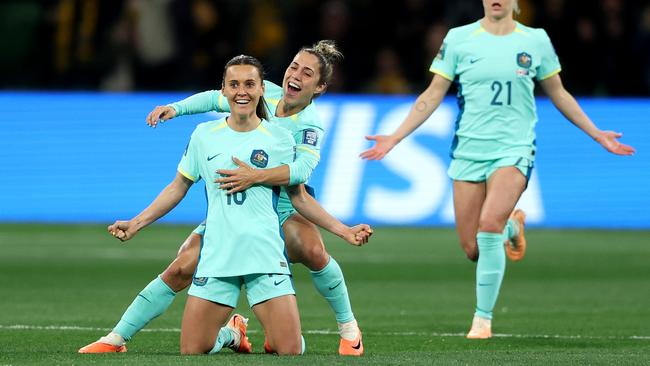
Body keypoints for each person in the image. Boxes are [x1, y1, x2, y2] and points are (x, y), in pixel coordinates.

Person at [360, 0, 635, 339]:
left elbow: (558, 93)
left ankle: (482, 320)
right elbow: (433, 93)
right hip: (469, 150)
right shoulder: (459, 39)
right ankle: (512, 228)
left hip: (514, 148)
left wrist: (596, 134)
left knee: (488, 225)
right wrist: (395, 137)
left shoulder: (535, 40)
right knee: (472, 248)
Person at [79, 41, 368, 356]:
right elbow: (211, 100)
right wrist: (176, 108)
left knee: (312, 250)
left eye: (307, 72)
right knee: (182, 266)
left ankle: (349, 329)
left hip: (279, 206)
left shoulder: (306, 128)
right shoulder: (251, 100)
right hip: (231, 208)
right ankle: (118, 337)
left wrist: (256, 177)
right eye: (294, 66)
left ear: (319, 87)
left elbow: (299, 172)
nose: (295, 75)